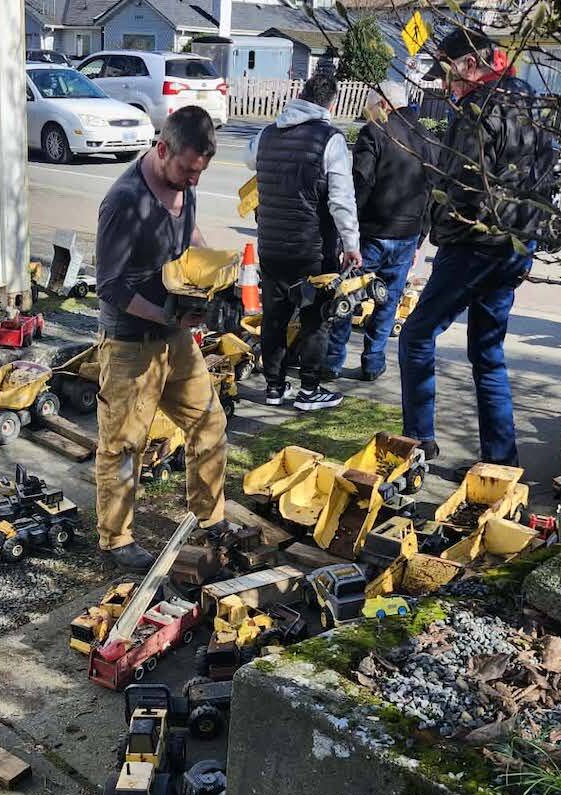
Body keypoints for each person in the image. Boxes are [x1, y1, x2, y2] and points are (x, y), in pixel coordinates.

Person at [398, 27, 547, 467]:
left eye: (447, 74)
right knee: (487, 352)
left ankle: (417, 443)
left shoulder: (477, 112)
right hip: (516, 246)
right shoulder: (532, 102)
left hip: (475, 245)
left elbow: (461, 187)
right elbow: (544, 182)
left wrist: (438, 235)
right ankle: (501, 460)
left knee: (417, 335)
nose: (446, 86)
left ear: (468, 64)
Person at [93, 106, 231, 571]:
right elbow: (110, 286)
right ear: (163, 148)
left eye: (200, 172)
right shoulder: (124, 202)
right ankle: (116, 540)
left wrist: (210, 278)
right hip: (131, 343)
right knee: (124, 444)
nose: (193, 180)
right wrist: (168, 314)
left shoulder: (183, 185)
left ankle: (209, 519)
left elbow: (188, 236)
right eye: (187, 170)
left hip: (174, 338)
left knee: (210, 421)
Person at [245, 73, 363, 411]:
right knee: (315, 318)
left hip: (270, 244)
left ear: (300, 94)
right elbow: (341, 200)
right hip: (312, 249)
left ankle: (273, 386)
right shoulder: (330, 140)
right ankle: (309, 391)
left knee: (275, 318)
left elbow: (248, 159)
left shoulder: (266, 135)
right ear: (332, 104)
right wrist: (351, 243)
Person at [325, 81, 435, 383]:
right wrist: (420, 237)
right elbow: (432, 194)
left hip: (371, 234)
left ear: (384, 104)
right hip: (407, 235)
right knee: (388, 300)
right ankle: (373, 363)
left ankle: (333, 359)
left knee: (346, 296)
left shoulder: (374, 133)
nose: (369, 114)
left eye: (371, 108)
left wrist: (347, 234)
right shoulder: (427, 139)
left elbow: (360, 184)